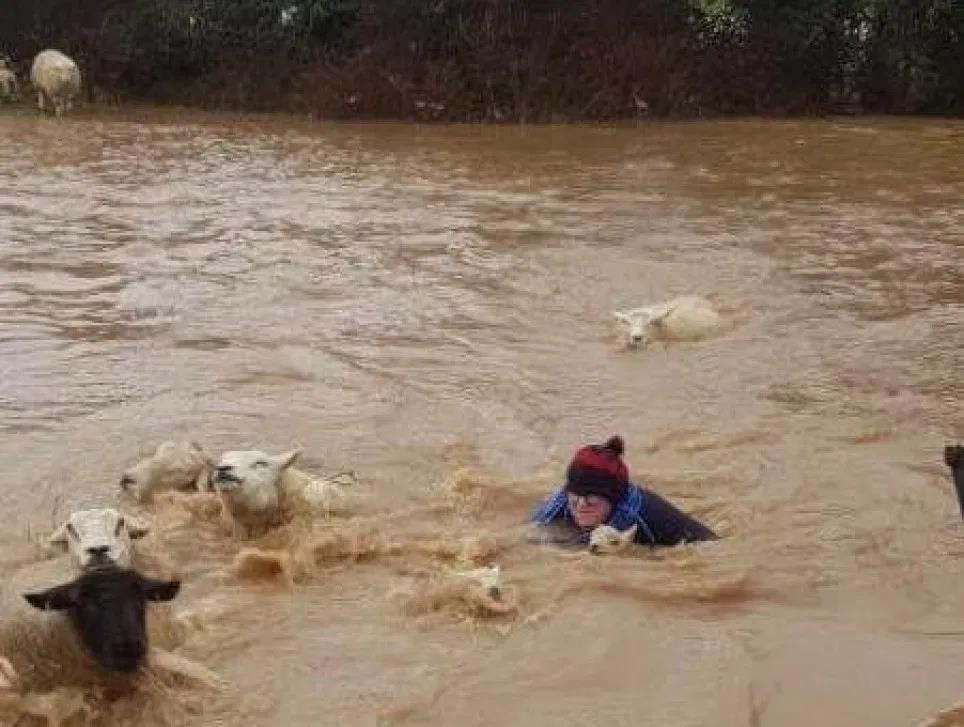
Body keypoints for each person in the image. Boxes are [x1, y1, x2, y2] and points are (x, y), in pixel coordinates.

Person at [530, 435, 718, 547]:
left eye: (590, 499)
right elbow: (528, 536)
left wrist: (633, 553)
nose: (580, 505)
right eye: (574, 497)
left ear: (613, 499)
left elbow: (710, 548)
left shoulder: (646, 514)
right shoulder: (558, 504)